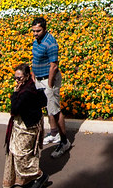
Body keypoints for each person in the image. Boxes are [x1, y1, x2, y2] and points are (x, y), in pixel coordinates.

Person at [31, 16, 71, 157]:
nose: (35, 33)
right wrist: (33, 73)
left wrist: (49, 85)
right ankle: (54, 134)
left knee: (55, 110)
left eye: (38, 31)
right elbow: (35, 58)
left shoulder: (51, 43)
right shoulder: (37, 40)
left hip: (49, 80)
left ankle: (64, 142)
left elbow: (54, 66)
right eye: (34, 31)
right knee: (48, 108)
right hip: (39, 79)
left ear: (45, 29)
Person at [3, 63, 49, 188]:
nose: (17, 81)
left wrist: (14, 94)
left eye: (19, 78)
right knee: (15, 151)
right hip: (22, 125)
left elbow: (14, 109)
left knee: (21, 155)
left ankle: (39, 175)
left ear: (27, 76)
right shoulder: (29, 87)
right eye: (15, 78)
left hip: (27, 127)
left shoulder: (25, 92)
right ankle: (23, 179)